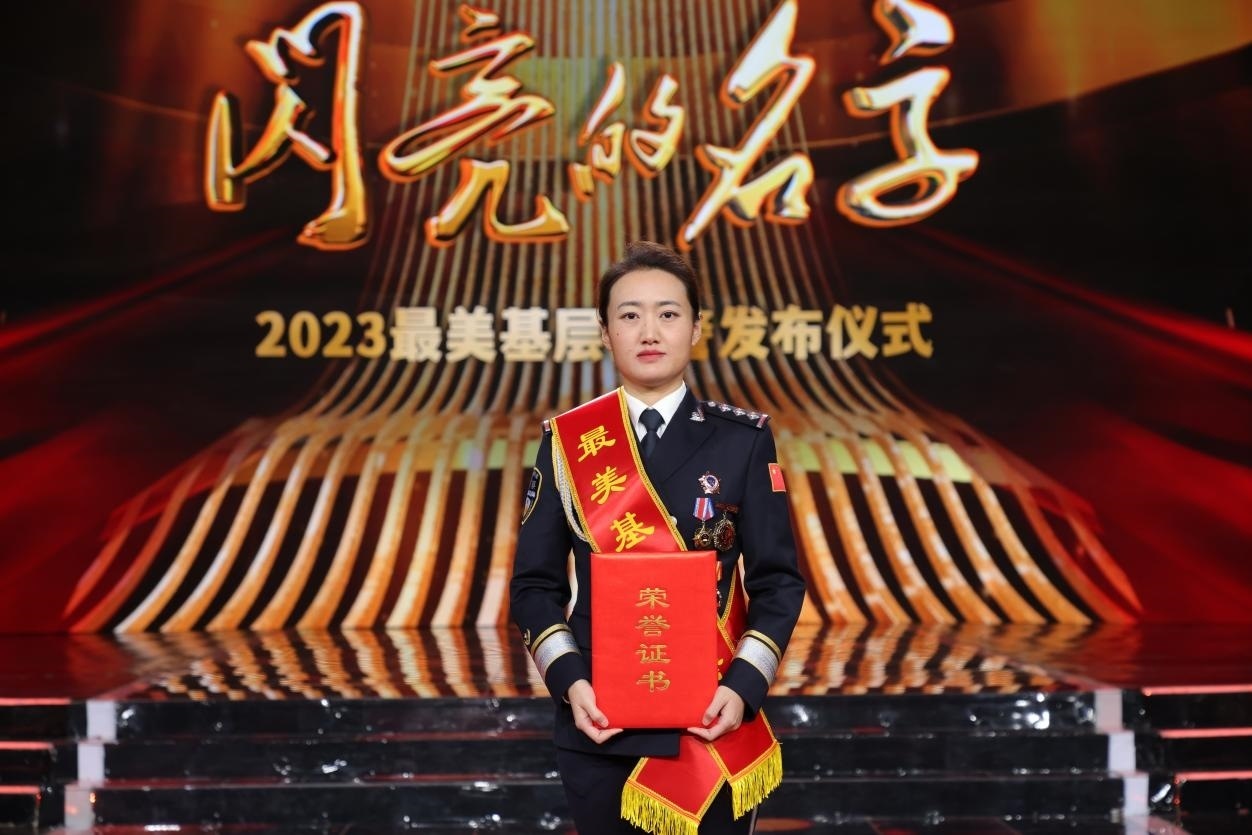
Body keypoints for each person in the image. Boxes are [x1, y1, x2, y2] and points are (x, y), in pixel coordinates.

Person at [510, 241, 806, 835]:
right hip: (601, 720)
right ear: (605, 331)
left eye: (668, 313)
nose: (649, 331)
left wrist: (744, 686)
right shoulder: (569, 442)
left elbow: (777, 583)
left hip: (713, 716)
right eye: (629, 314)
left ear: (695, 328)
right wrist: (570, 682)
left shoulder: (743, 441)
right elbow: (534, 586)